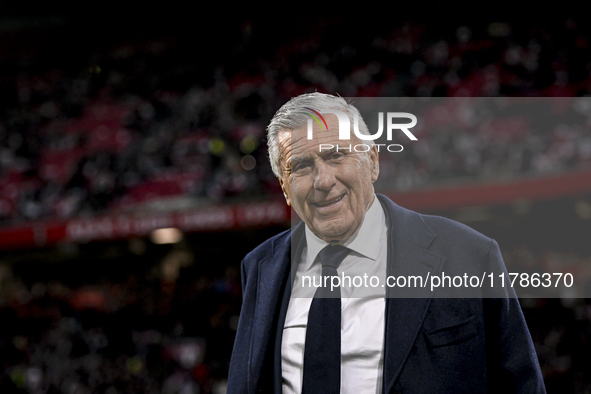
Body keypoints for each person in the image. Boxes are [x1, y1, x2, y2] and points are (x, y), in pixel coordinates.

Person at [227, 93, 545, 393]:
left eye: (336, 155)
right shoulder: (260, 267)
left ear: (373, 161)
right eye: (301, 167)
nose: (323, 180)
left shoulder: (469, 254)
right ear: (284, 187)